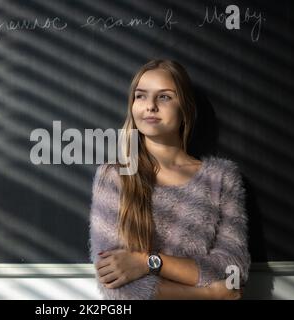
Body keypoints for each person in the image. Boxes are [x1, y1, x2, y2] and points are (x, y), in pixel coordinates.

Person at [88, 59, 250, 299]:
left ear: (185, 109)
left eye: (164, 97)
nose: (150, 106)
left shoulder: (222, 178)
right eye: (140, 96)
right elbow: (115, 283)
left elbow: (233, 269)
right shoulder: (114, 177)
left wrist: (147, 262)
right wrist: (210, 295)